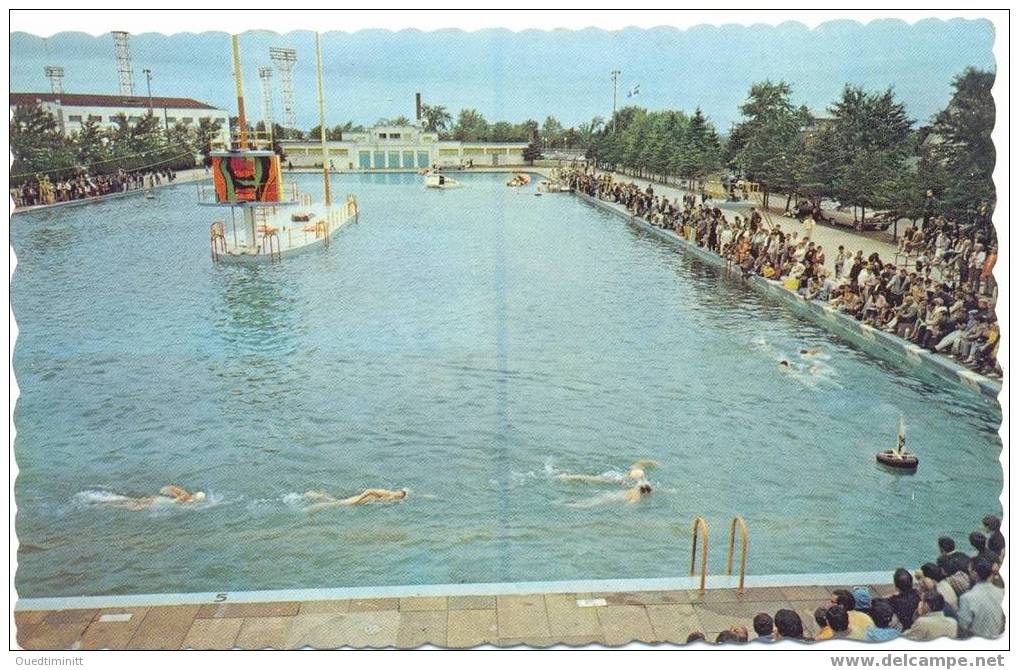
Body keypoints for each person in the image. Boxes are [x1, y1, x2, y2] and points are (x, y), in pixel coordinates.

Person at [956, 558, 1005, 639]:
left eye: (970, 570)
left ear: (975, 573)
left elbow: (963, 626)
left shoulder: (967, 598)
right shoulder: (1001, 592)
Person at [105, 485, 206, 510]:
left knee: (134, 502)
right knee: (135, 506)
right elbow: (174, 499)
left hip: (157, 499)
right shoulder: (185, 496)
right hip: (157, 501)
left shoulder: (186, 497)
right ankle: (107, 503)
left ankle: (109, 502)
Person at [302, 488, 408, 511]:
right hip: (358, 500)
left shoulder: (391, 497)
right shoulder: (387, 493)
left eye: (398, 496)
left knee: (335, 501)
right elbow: (370, 490)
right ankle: (310, 508)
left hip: (360, 502)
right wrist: (358, 500)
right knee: (335, 504)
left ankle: (313, 495)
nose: (396, 495)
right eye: (397, 494)